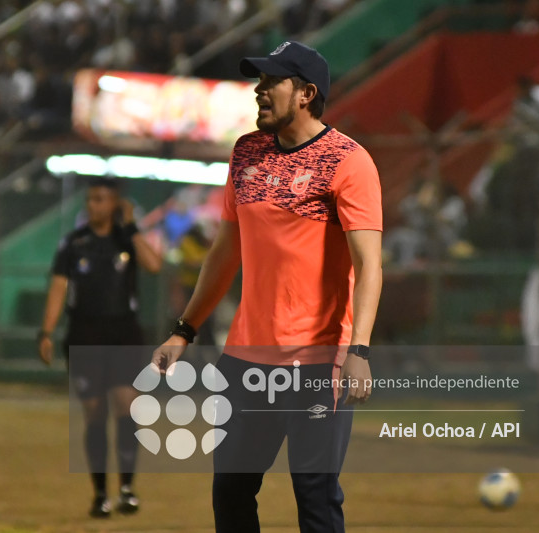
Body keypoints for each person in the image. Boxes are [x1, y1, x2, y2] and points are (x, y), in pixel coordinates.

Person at [152, 41, 383, 532]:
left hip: (320, 361)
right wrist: (184, 330)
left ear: (306, 93)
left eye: (271, 81)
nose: (259, 89)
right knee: (230, 493)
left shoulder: (348, 161)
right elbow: (223, 253)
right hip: (246, 359)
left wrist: (358, 348)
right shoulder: (245, 153)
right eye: (259, 80)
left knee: (316, 499)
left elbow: (369, 263)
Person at [38, 178, 162, 518]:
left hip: (123, 333)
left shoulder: (127, 240)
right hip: (85, 334)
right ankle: (99, 494)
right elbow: (58, 288)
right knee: (94, 413)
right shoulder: (73, 244)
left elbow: (154, 265)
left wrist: (133, 225)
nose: (95, 205)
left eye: (102, 199)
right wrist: (45, 332)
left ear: (115, 204)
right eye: (91, 199)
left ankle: (127, 487)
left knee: (126, 406)